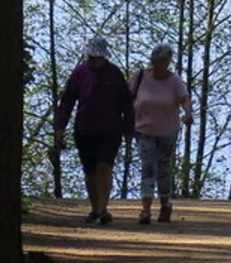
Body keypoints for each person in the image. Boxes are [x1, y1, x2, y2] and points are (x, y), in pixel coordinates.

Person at [56, 35, 134, 225]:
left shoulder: (115, 73)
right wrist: (60, 127)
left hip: (111, 130)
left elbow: (126, 104)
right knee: (90, 171)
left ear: (104, 57)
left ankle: (103, 209)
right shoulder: (79, 73)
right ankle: (95, 208)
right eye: (91, 56)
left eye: (97, 57)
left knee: (105, 166)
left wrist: (128, 132)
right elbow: (67, 101)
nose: (94, 60)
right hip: (84, 130)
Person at [130, 43, 194, 225]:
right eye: (156, 61)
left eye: (163, 62)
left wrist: (188, 113)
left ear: (168, 62)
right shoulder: (140, 77)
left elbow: (185, 99)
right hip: (143, 130)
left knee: (164, 168)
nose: (159, 65)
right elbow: (127, 96)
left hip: (167, 131)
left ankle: (165, 203)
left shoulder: (175, 81)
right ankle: (146, 210)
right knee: (147, 168)